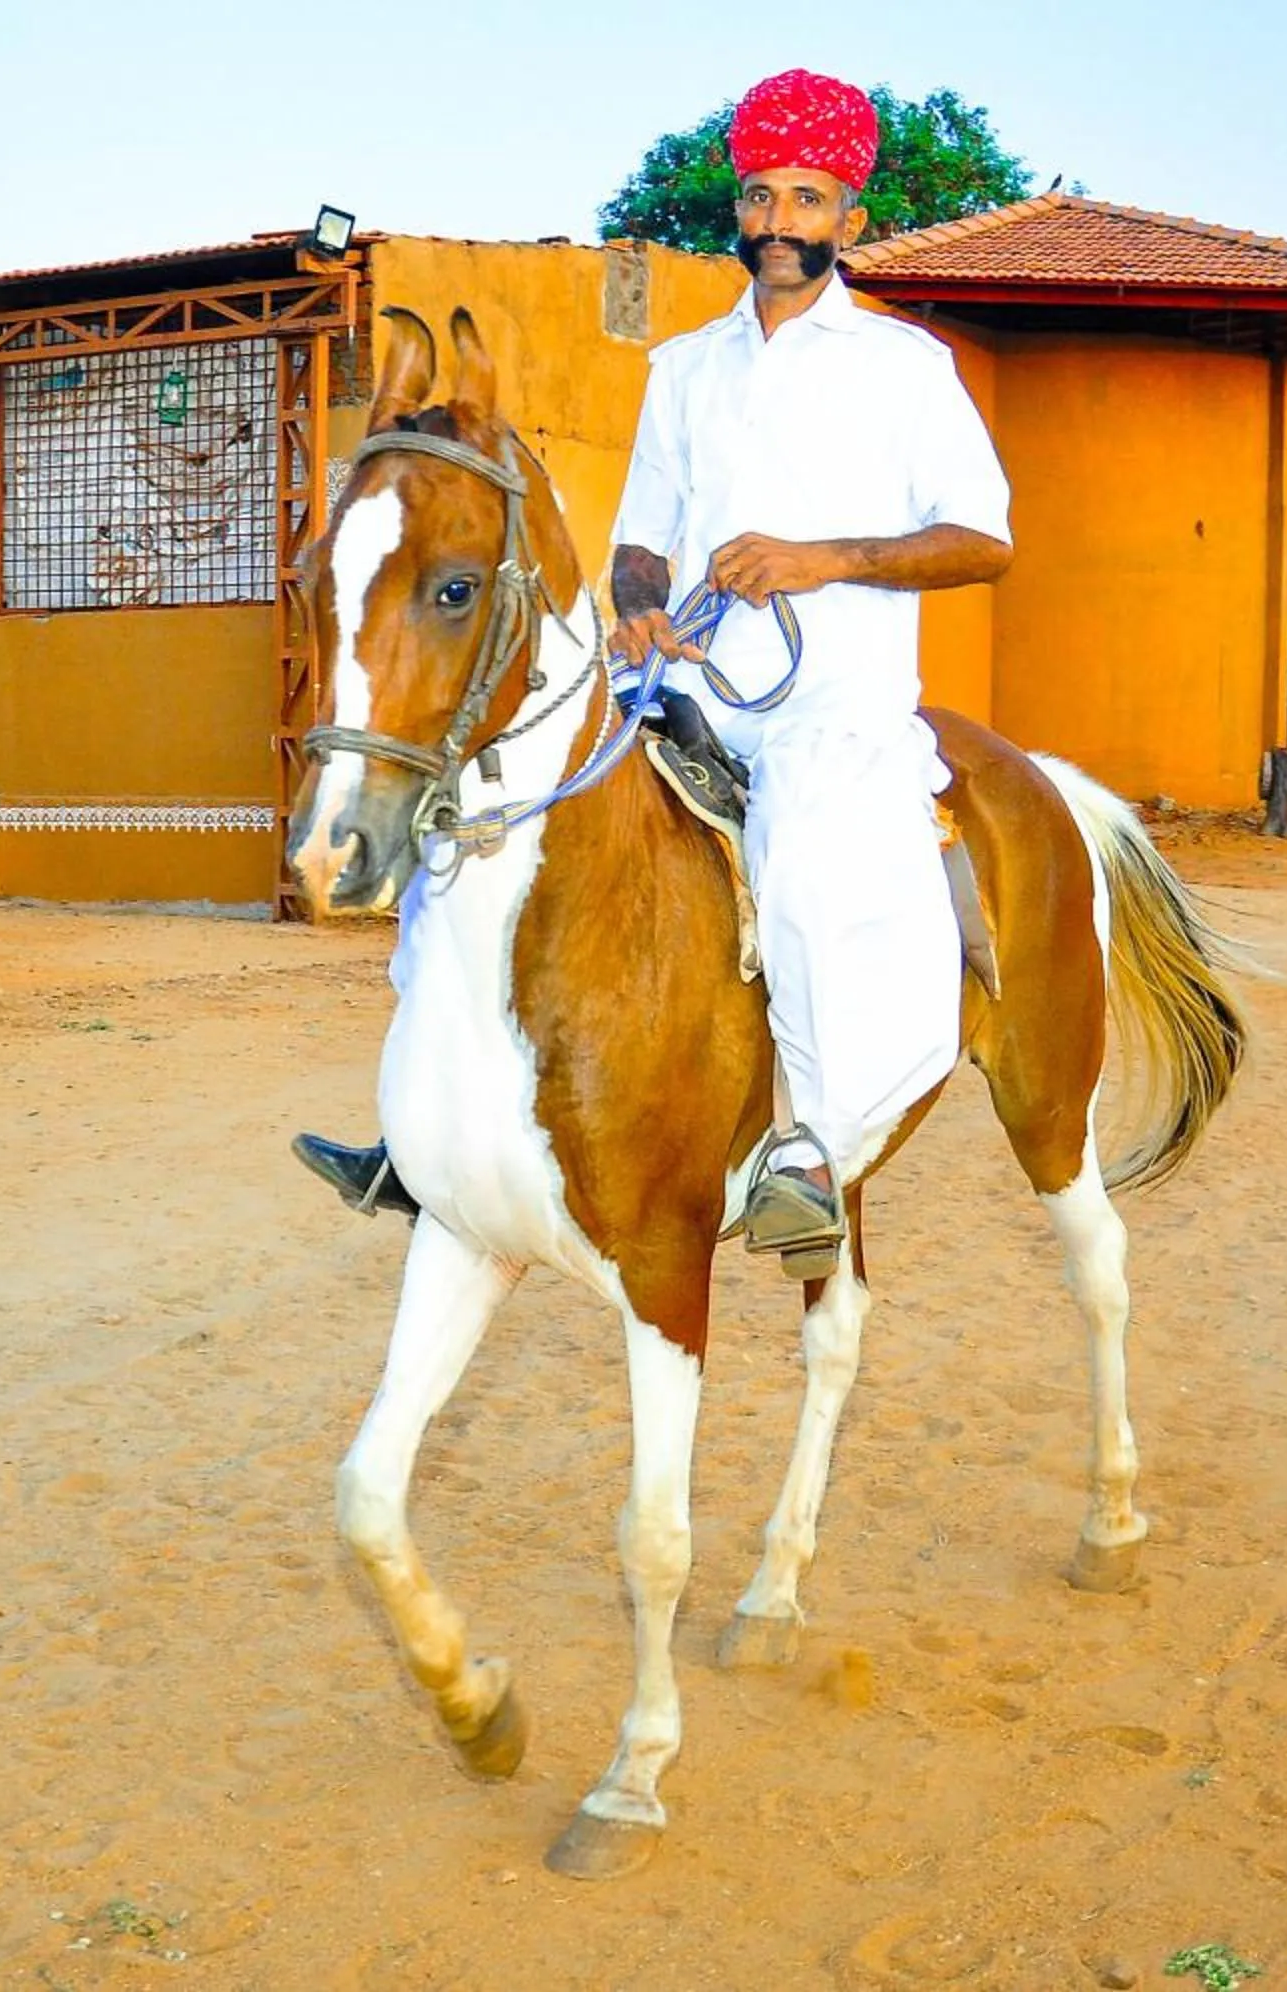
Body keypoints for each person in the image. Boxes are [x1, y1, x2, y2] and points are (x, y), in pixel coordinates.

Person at [295, 67, 1014, 1270]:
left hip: (831, 705)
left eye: (807, 198)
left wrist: (818, 558)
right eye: (760, 196)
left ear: (853, 220)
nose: (778, 221)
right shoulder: (686, 367)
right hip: (681, 687)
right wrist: (635, 611)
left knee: (802, 872)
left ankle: (810, 1151)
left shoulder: (908, 369)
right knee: (462, 836)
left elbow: (982, 540)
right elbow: (643, 538)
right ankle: (418, 1144)